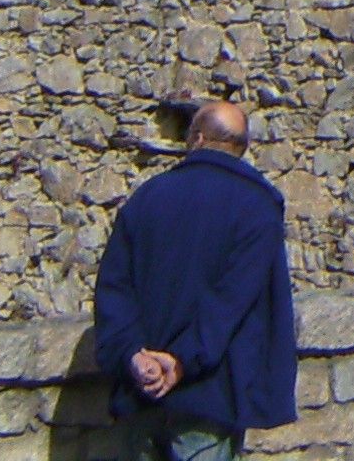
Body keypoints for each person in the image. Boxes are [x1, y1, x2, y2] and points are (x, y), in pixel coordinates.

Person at [90, 99, 298, 461]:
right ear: (241, 147)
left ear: (197, 139)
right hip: (209, 396)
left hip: (142, 391)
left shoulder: (147, 199)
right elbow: (231, 301)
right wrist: (181, 361)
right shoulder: (257, 206)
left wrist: (134, 356)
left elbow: (115, 289)